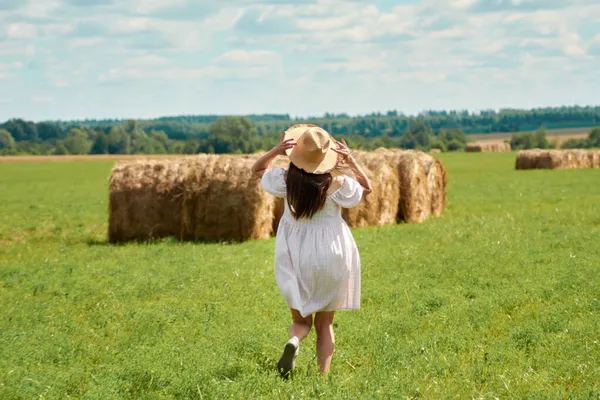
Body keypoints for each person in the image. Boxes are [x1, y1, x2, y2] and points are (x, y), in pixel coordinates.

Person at [251, 124, 373, 377]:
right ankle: (322, 378)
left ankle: (294, 342)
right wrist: (351, 161)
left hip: (297, 253)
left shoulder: (286, 181)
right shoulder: (338, 183)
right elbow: (367, 187)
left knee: (300, 320)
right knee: (325, 322)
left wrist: (276, 150)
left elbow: (257, 170)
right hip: (333, 252)